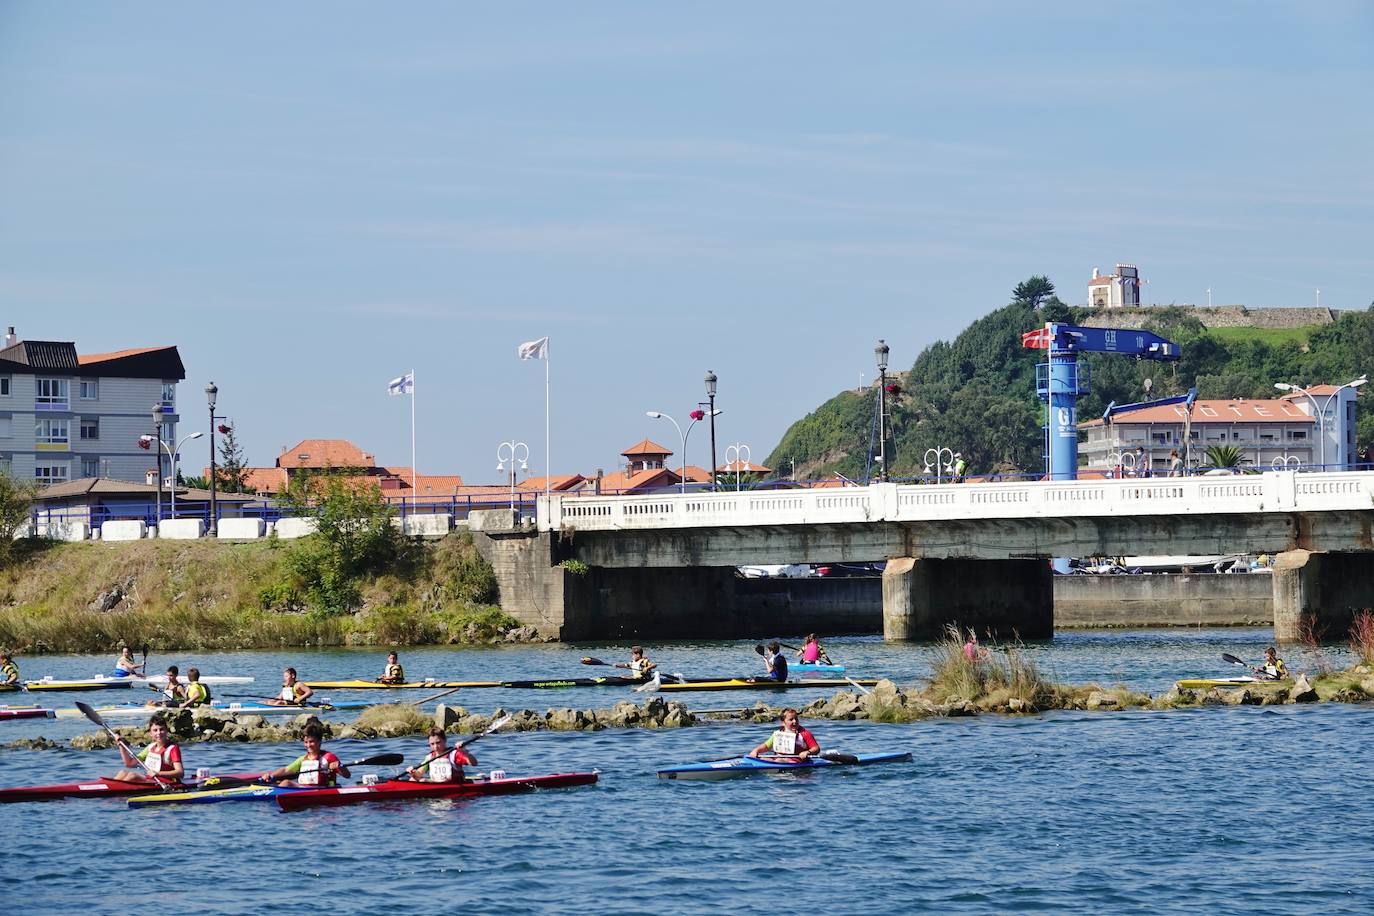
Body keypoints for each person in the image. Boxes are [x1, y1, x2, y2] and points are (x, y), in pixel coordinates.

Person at [262, 720, 349, 787]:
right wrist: (270, 775)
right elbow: (285, 770)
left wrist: (339, 766)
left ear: (319, 741)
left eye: (311, 742)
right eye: (306, 742)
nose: (308, 745)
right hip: (304, 788)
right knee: (282, 782)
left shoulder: (329, 757)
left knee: (286, 783)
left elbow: (347, 775)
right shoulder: (303, 759)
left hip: (322, 789)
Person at [113, 713, 185, 783]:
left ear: (166, 731)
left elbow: (180, 772)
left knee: (133, 776)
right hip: (151, 779)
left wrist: (158, 773)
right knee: (122, 773)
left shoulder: (172, 749)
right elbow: (130, 763)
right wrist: (121, 746)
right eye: (155, 730)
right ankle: (109, 787)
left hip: (166, 781)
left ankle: (114, 791)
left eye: (161, 729)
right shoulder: (150, 747)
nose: (159, 733)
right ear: (150, 733)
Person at [406, 726, 477, 783]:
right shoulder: (430, 757)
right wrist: (412, 772)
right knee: (413, 779)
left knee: (423, 781)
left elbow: (474, 763)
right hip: (436, 786)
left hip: (453, 787)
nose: (435, 746)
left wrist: (465, 752)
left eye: (438, 742)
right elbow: (419, 774)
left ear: (445, 740)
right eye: (432, 744)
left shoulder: (453, 754)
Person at [748, 708, 820, 761]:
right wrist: (756, 751)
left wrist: (808, 752)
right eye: (791, 719)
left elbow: (816, 748)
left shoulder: (805, 734)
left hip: (797, 762)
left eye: (796, 719)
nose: (795, 721)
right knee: (762, 759)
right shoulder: (778, 734)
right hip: (778, 759)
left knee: (779, 760)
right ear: (783, 722)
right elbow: (766, 746)